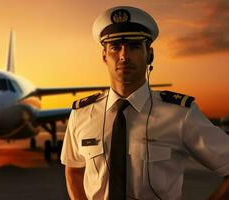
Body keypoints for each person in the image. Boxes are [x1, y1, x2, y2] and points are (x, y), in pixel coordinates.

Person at [60, 6, 229, 200]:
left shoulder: (180, 114)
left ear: (149, 55)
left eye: (134, 46)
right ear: (104, 56)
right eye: (115, 47)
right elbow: (74, 170)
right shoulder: (82, 113)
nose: (124, 55)